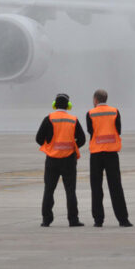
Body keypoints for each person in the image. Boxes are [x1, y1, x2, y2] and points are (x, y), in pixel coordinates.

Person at [36, 93, 86, 227]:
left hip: (52, 159)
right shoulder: (73, 120)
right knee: (70, 191)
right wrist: (72, 146)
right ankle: (73, 220)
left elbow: (38, 139)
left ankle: (46, 220)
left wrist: (50, 145)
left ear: (54, 105)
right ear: (68, 106)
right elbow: (82, 139)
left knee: (49, 190)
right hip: (69, 160)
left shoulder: (49, 119)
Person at [86, 89, 132, 227]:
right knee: (116, 187)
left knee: (96, 187)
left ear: (95, 100)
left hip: (96, 154)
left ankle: (98, 220)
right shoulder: (114, 111)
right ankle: (123, 219)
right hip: (112, 153)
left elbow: (90, 131)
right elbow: (118, 130)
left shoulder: (90, 113)